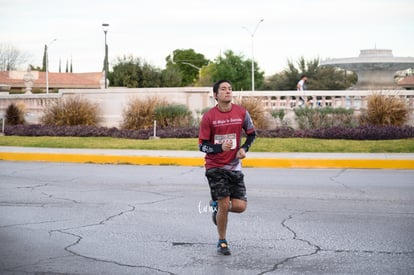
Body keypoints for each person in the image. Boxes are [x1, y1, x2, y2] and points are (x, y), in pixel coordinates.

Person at [198, 79, 256, 255]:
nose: (227, 91)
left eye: (230, 89)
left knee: (240, 206)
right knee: (224, 202)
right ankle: (222, 241)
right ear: (216, 95)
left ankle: (216, 207)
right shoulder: (209, 117)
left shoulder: (241, 113)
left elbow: (252, 134)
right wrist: (218, 148)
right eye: (223, 89)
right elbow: (202, 146)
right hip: (215, 166)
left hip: (234, 166)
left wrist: (244, 148)